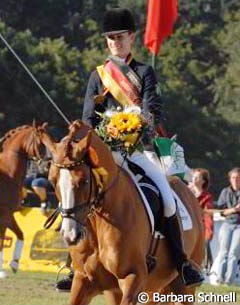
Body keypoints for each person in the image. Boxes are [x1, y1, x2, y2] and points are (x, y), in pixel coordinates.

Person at [56, 7, 203, 291]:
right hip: (104, 153)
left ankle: (182, 262)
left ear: (132, 37)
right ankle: (73, 263)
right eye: (110, 38)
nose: (115, 42)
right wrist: (96, 135)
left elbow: (152, 111)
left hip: (137, 150)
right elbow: (89, 117)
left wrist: (134, 129)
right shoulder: (98, 75)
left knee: (168, 199)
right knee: (78, 192)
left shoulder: (145, 72)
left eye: (120, 37)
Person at [214, 167, 240, 285]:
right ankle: (220, 278)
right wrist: (235, 209)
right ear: (230, 179)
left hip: (239, 225)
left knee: (233, 253)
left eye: (238, 178)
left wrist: (230, 211)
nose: (236, 180)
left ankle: (228, 281)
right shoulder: (225, 192)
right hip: (227, 223)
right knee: (223, 252)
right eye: (233, 178)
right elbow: (220, 211)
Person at [189, 168, 214, 273]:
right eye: (193, 176)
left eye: (197, 177)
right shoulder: (184, 191)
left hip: (198, 228)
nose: (194, 178)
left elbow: (208, 216)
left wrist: (208, 234)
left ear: (203, 181)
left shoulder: (207, 197)